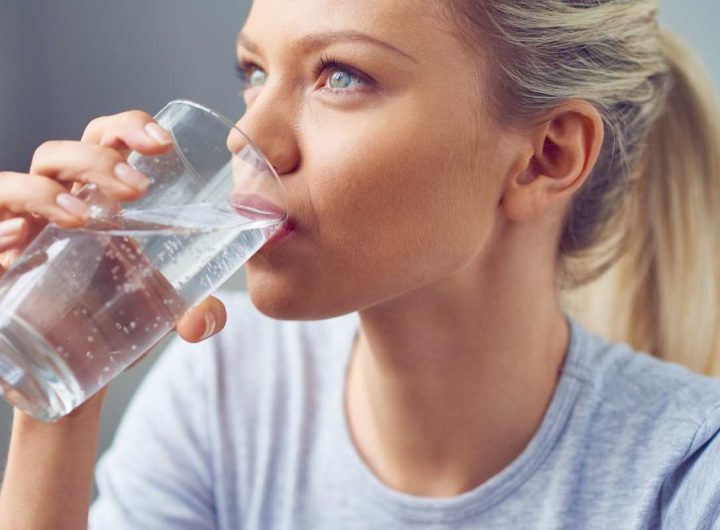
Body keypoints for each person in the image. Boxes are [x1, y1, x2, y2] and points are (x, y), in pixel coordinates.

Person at [1, 0, 720, 528]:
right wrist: (65, 375)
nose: (248, 137)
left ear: (546, 157)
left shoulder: (689, 476)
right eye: (254, 70)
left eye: (339, 76)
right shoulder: (228, 388)